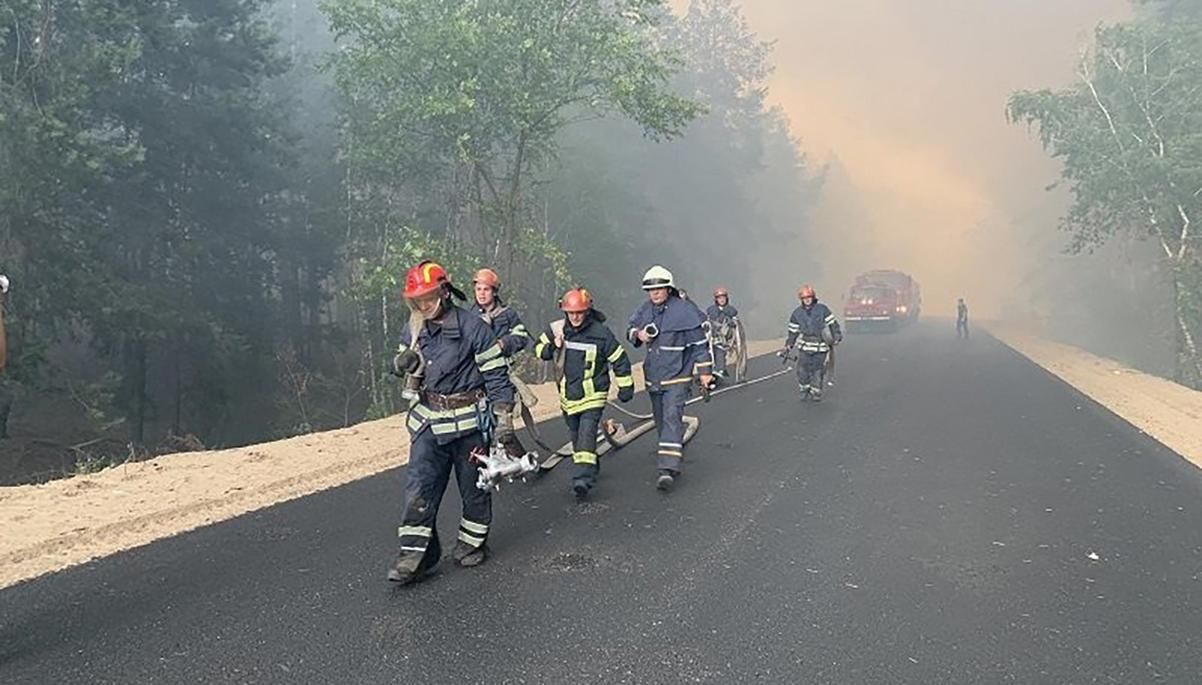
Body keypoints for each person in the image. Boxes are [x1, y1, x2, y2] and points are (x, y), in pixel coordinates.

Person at [387, 260, 514, 584]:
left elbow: (497, 376)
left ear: (444, 292)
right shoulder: (414, 328)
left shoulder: (474, 328)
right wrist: (400, 363)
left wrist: (503, 419)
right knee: (419, 488)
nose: (424, 306)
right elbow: (401, 362)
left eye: (428, 298)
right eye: (417, 301)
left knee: (474, 490)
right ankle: (415, 556)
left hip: (469, 425)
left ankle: (471, 544)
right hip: (428, 422)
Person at [534, 288, 634, 498]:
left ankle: (582, 479)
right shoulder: (558, 329)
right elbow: (538, 349)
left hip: (593, 394)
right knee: (576, 437)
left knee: (586, 434)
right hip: (568, 396)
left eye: (579, 312)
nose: (575, 317)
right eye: (571, 313)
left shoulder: (601, 334)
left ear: (587, 311)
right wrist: (553, 346)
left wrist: (626, 387)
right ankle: (591, 466)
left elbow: (619, 359)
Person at [627, 265, 714, 491]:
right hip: (654, 377)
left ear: (669, 288)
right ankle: (670, 452)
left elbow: (700, 346)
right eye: (651, 290)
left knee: (672, 418)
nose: (655, 293)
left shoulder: (684, 311)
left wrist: (705, 373)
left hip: (677, 377)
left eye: (659, 288)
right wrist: (639, 334)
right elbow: (630, 330)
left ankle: (667, 469)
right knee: (660, 420)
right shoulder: (645, 310)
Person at [472, 267, 533, 459]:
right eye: (478, 289)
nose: (481, 294)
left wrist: (504, 343)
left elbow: (521, 337)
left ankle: (517, 458)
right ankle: (493, 459)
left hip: (500, 375)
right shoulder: (468, 316)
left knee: (503, 424)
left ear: (494, 291)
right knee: (480, 424)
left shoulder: (507, 315)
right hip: (475, 376)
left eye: (486, 289)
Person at [781, 284, 842, 402]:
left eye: (809, 297)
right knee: (802, 370)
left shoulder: (822, 310)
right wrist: (789, 345)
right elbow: (793, 332)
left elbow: (833, 324)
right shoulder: (797, 313)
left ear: (813, 297)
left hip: (821, 346)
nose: (807, 300)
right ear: (801, 300)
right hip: (805, 346)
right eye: (804, 298)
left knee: (817, 370)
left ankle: (816, 392)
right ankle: (804, 390)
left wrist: (837, 336)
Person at [705, 287, 740, 380]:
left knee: (720, 348)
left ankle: (720, 368)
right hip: (712, 334)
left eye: (723, 297)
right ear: (716, 299)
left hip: (726, 337)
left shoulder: (731, 310)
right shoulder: (711, 310)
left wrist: (732, 323)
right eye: (719, 298)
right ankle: (709, 371)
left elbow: (735, 322)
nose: (721, 300)